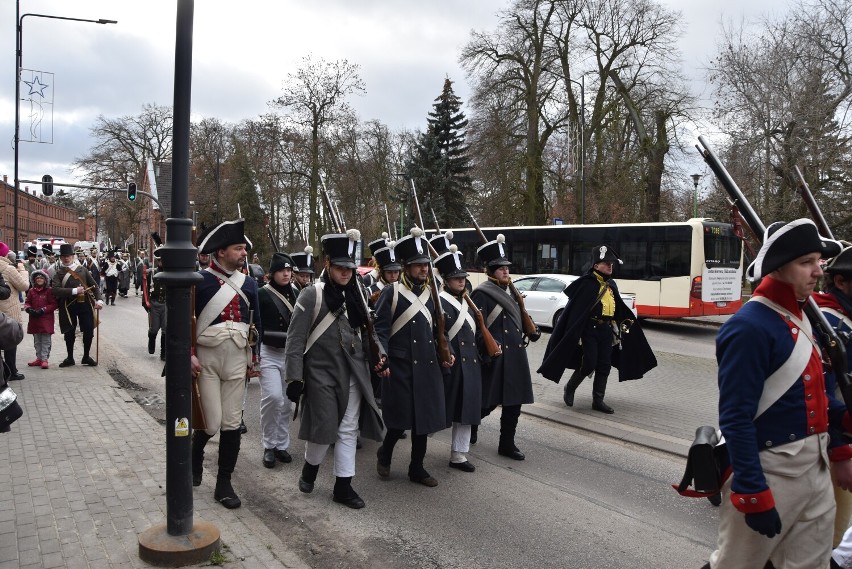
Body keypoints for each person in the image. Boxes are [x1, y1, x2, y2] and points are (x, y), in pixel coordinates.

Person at [703, 219, 852, 569]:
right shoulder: (749, 326)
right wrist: (752, 489)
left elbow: (820, 397)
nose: (818, 271)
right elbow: (736, 417)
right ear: (779, 268)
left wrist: (842, 428)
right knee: (737, 564)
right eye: (807, 263)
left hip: (815, 467)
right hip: (771, 469)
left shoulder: (803, 318)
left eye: (818, 261)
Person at [284, 231, 385, 508]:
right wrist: (294, 377)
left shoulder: (359, 294)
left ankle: (343, 486)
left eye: (350, 268)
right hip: (321, 373)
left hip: (355, 371)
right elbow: (295, 341)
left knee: (348, 430)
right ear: (328, 264)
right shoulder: (311, 295)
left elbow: (369, 332)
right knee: (324, 428)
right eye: (340, 267)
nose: (346, 273)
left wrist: (381, 356)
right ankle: (310, 469)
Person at [190, 219, 261, 510]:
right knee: (212, 422)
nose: (243, 253)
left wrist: (254, 359)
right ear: (221, 252)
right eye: (238, 248)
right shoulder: (199, 281)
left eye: (244, 248)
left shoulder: (251, 284)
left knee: (232, 424)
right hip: (207, 359)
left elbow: (258, 325)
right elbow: (183, 322)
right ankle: (195, 458)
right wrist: (187, 354)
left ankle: (224, 483)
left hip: (237, 358)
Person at [374, 227, 452, 487]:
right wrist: (382, 356)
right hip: (400, 366)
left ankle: (417, 468)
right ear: (406, 266)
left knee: (423, 422)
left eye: (426, 265)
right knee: (399, 422)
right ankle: (385, 452)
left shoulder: (433, 293)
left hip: (428, 365)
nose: (423, 270)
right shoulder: (392, 292)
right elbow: (381, 331)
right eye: (418, 265)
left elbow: (439, 329)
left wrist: (446, 351)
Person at [538, 245, 656, 414]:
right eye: (606, 263)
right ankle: (570, 387)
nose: (610, 266)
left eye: (612, 264)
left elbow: (618, 308)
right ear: (595, 266)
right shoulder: (586, 284)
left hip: (606, 331)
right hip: (589, 330)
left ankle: (598, 400)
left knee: (604, 366)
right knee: (589, 363)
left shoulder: (611, 284)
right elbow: (575, 312)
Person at [469, 234, 535, 460]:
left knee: (514, 403)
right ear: (490, 271)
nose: (506, 271)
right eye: (500, 268)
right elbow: (475, 328)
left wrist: (530, 329)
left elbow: (519, 320)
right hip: (495, 355)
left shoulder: (513, 292)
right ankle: (471, 426)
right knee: (486, 403)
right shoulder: (481, 293)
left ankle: (507, 443)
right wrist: (487, 348)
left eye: (506, 268)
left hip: (515, 354)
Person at [814, 246, 852, 556]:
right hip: (833, 441)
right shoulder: (829, 322)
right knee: (831, 537)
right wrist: (841, 452)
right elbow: (821, 396)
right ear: (841, 282)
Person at [436, 245, 483, 472]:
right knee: (438, 410)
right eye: (456, 278)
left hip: (471, 363)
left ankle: (458, 454)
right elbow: (439, 334)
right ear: (445, 280)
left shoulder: (468, 302)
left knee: (466, 411)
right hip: (450, 364)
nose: (461, 281)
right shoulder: (439, 301)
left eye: (462, 277)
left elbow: (476, 332)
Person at [257, 252, 299, 468]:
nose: (286, 273)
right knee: (273, 398)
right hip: (269, 352)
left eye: (289, 270)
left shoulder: (297, 293)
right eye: (282, 270)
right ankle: (268, 444)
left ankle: (281, 444)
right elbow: (255, 326)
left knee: (286, 403)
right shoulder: (261, 294)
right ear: (272, 273)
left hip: (290, 355)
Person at [51, 243, 104, 367]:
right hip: (68, 305)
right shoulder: (59, 273)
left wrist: (99, 300)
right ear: (61, 258)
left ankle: (86, 356)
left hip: (84, 303)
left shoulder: (82, 270)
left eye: (68, 256)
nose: (66, 258)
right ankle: (70, 358)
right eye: (63, 256)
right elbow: (55, 290)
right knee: (69, 331)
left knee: (88, 330)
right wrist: (74, 291)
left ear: (72, 256)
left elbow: (94, 286)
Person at [0, 243, 29, 381]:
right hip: (9, 309)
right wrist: (22, 270)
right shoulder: (8, 268)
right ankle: (11, 370)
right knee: (10, 339)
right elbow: (24, 285)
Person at [23, 270, 57, 369]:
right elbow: (27, 302)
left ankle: (44, 358)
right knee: (37, 340)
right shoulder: (31, 291)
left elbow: (54, 304)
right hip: (34, 319)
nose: (39, 280)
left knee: (46, 340)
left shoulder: (49, 291)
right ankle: (39, 358)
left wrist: (43, 310)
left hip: (46, 319)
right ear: (34, 280)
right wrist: (28, 308)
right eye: (37, 278)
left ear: (45, 280)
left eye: (41, 278)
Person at [142, 246, 167, 361]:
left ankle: (164, 353)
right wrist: (146, 304)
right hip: (155, 304)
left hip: (166, 304)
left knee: (165, 329)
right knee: (154, 329)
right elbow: (146, 290)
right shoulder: (152, 273)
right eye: (160, 260)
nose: (162, 262)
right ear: (157, 261)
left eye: (164, 260)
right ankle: (151, 341)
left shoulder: (169, 274)